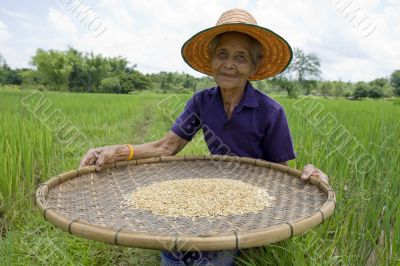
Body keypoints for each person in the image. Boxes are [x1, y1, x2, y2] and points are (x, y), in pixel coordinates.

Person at [80, 8, 329, 266]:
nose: (229, 63)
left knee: (214, 254)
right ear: (211, 60)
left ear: (254, 66)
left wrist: (309, 178)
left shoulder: (271, 112)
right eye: (222, 54)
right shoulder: (202, 102)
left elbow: (280, 174)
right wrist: (117, 151)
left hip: (255, 201)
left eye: (241, 57)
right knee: (176, 247)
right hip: (213, 190)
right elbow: (166, 147)